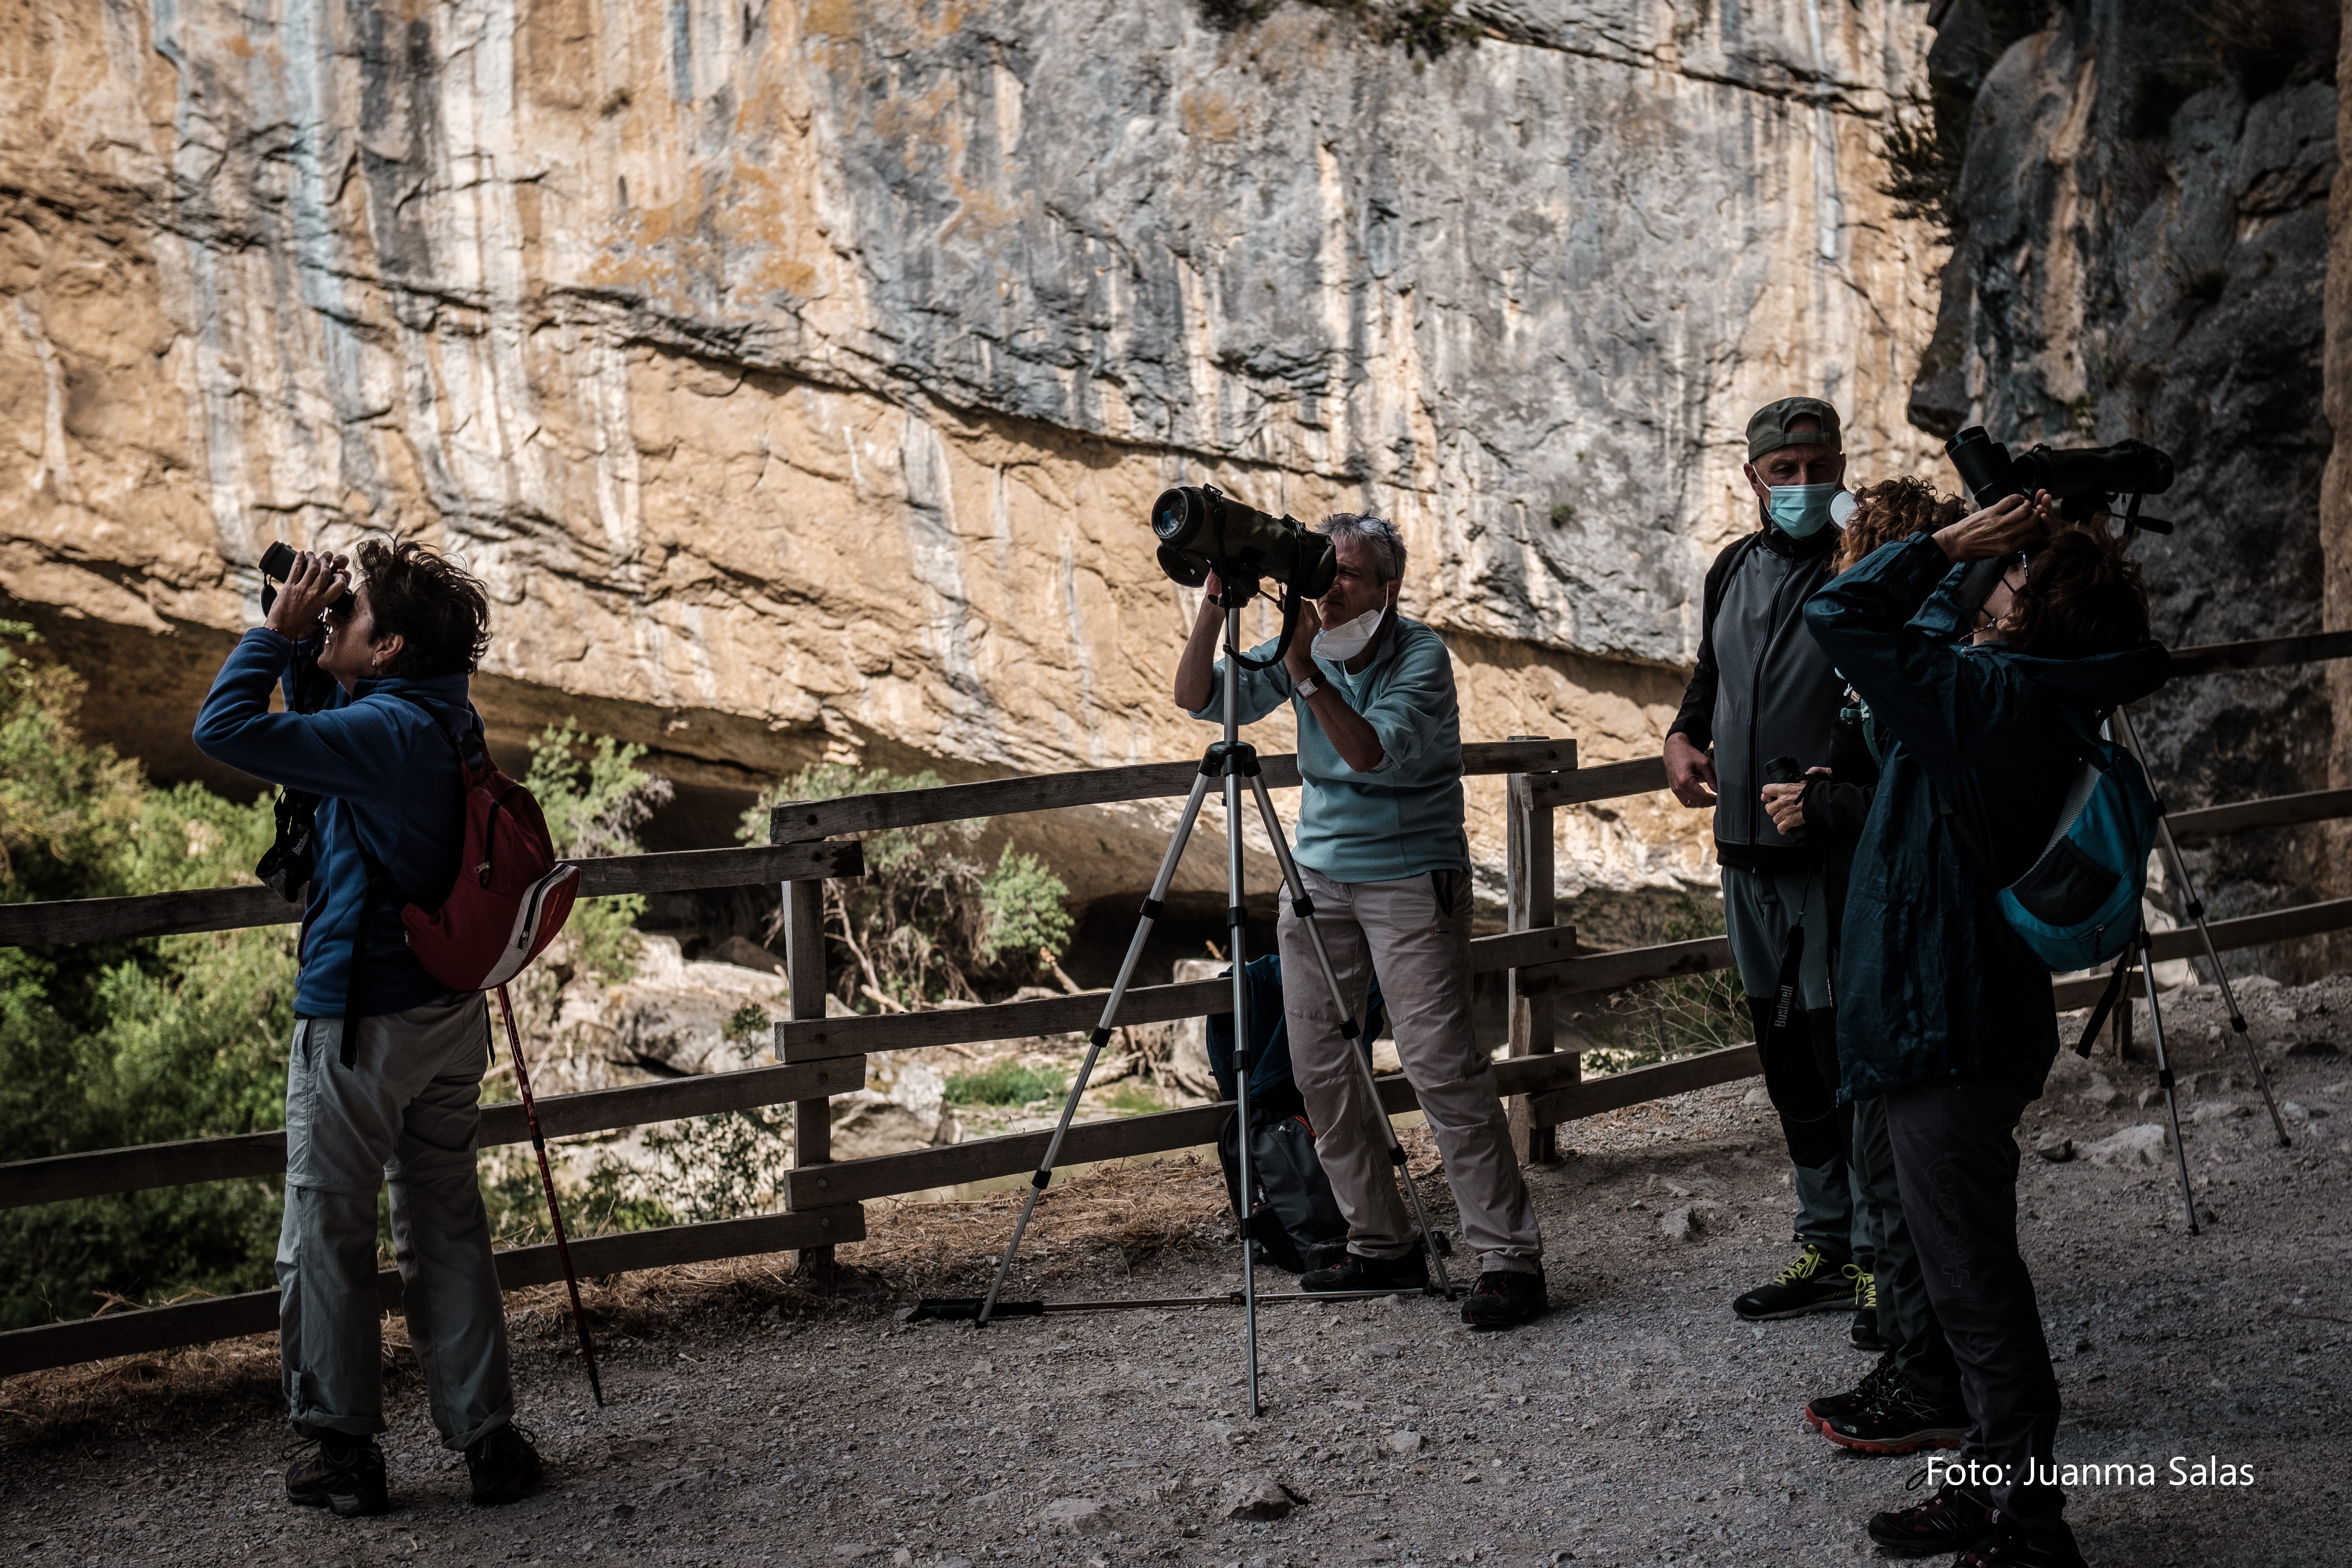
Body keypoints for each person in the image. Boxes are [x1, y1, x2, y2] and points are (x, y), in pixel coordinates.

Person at [1805, 496, 2166, 1568]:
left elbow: (1840, 615)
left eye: (2009, 573)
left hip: (1946, 1029)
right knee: (1957, 1273)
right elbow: (1901, 665)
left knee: (1973, 1286)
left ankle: (2029, 1524)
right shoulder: (2008, 695)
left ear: (2024, 610)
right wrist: (1962, 576)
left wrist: (1940, 547)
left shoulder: (1993, 701)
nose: (1989, 578)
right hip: (1946, 1018)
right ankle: (1983, 1487)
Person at [193, 542, 542, 1516]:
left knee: (326, 1230)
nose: (330, 615)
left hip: (361, 1022)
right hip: (445, 1015)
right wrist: (316, 642)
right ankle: (488, 1441)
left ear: (387, 647)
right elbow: (328, 729)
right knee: (446, 1225)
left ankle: (341, 1453)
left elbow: (224, 729)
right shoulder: (443, 712)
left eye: (349, 613)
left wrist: (274, 634)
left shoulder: (385, 730)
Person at [1171, 513, 1547, 1329]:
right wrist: (1215, 604)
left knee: (1441, 1068)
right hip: (1318, 878)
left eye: (1345, 574)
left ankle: (1508, 1260)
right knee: (1320, 1068)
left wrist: (1305, 671)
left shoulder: (1419, 655)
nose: (1328, 587)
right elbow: (1197, 698)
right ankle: (1379, 1242)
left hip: (1411, 879)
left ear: (1389, 586)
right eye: (1322, 570)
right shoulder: (1303, 640)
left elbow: (1369, 752)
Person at [1763, 479, 1972, 1457]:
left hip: (1902, 940)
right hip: (1876, 927)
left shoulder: (1920, 656)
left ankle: (1922, 1368)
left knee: (1897, 1161)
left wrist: (1821, 806)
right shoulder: (1904, 656)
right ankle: (1907, 1340)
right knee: (1885, 1151)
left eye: (1855, 553)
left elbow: (1919, 802)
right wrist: (1830, 783)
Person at [1664, 397, 1870, 1324]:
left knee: (1840, 1053)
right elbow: (1711, 676)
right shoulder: (1732, 569)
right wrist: (1681, 733)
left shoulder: (1865, 564)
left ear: (1841, 467)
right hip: (1742, 855)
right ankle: (1826, 1242)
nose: (1802, 484)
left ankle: (1882, 1257)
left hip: (1825, 852)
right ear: (1752, 477)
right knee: (1786, 1056)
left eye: (1818, 467)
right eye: (1783, 471)